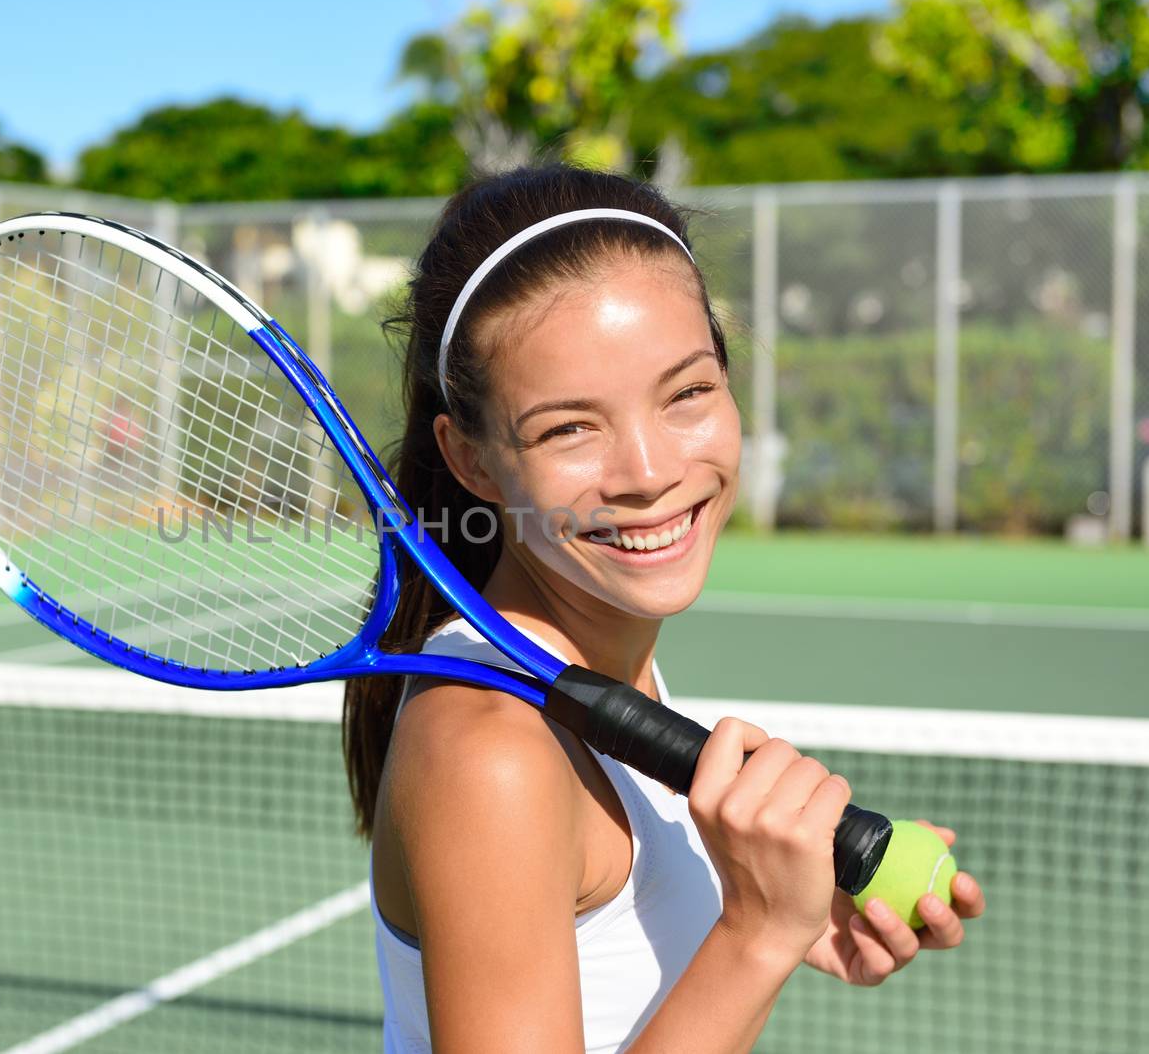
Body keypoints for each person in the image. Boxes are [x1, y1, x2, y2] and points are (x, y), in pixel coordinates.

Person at [341, 164, 986, 1053]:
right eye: (569, 427)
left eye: (686, 392)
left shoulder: (599, 664)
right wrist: (753, 935)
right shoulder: (491, 749)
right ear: (474, 461)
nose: (647, 473)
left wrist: (779, 915)